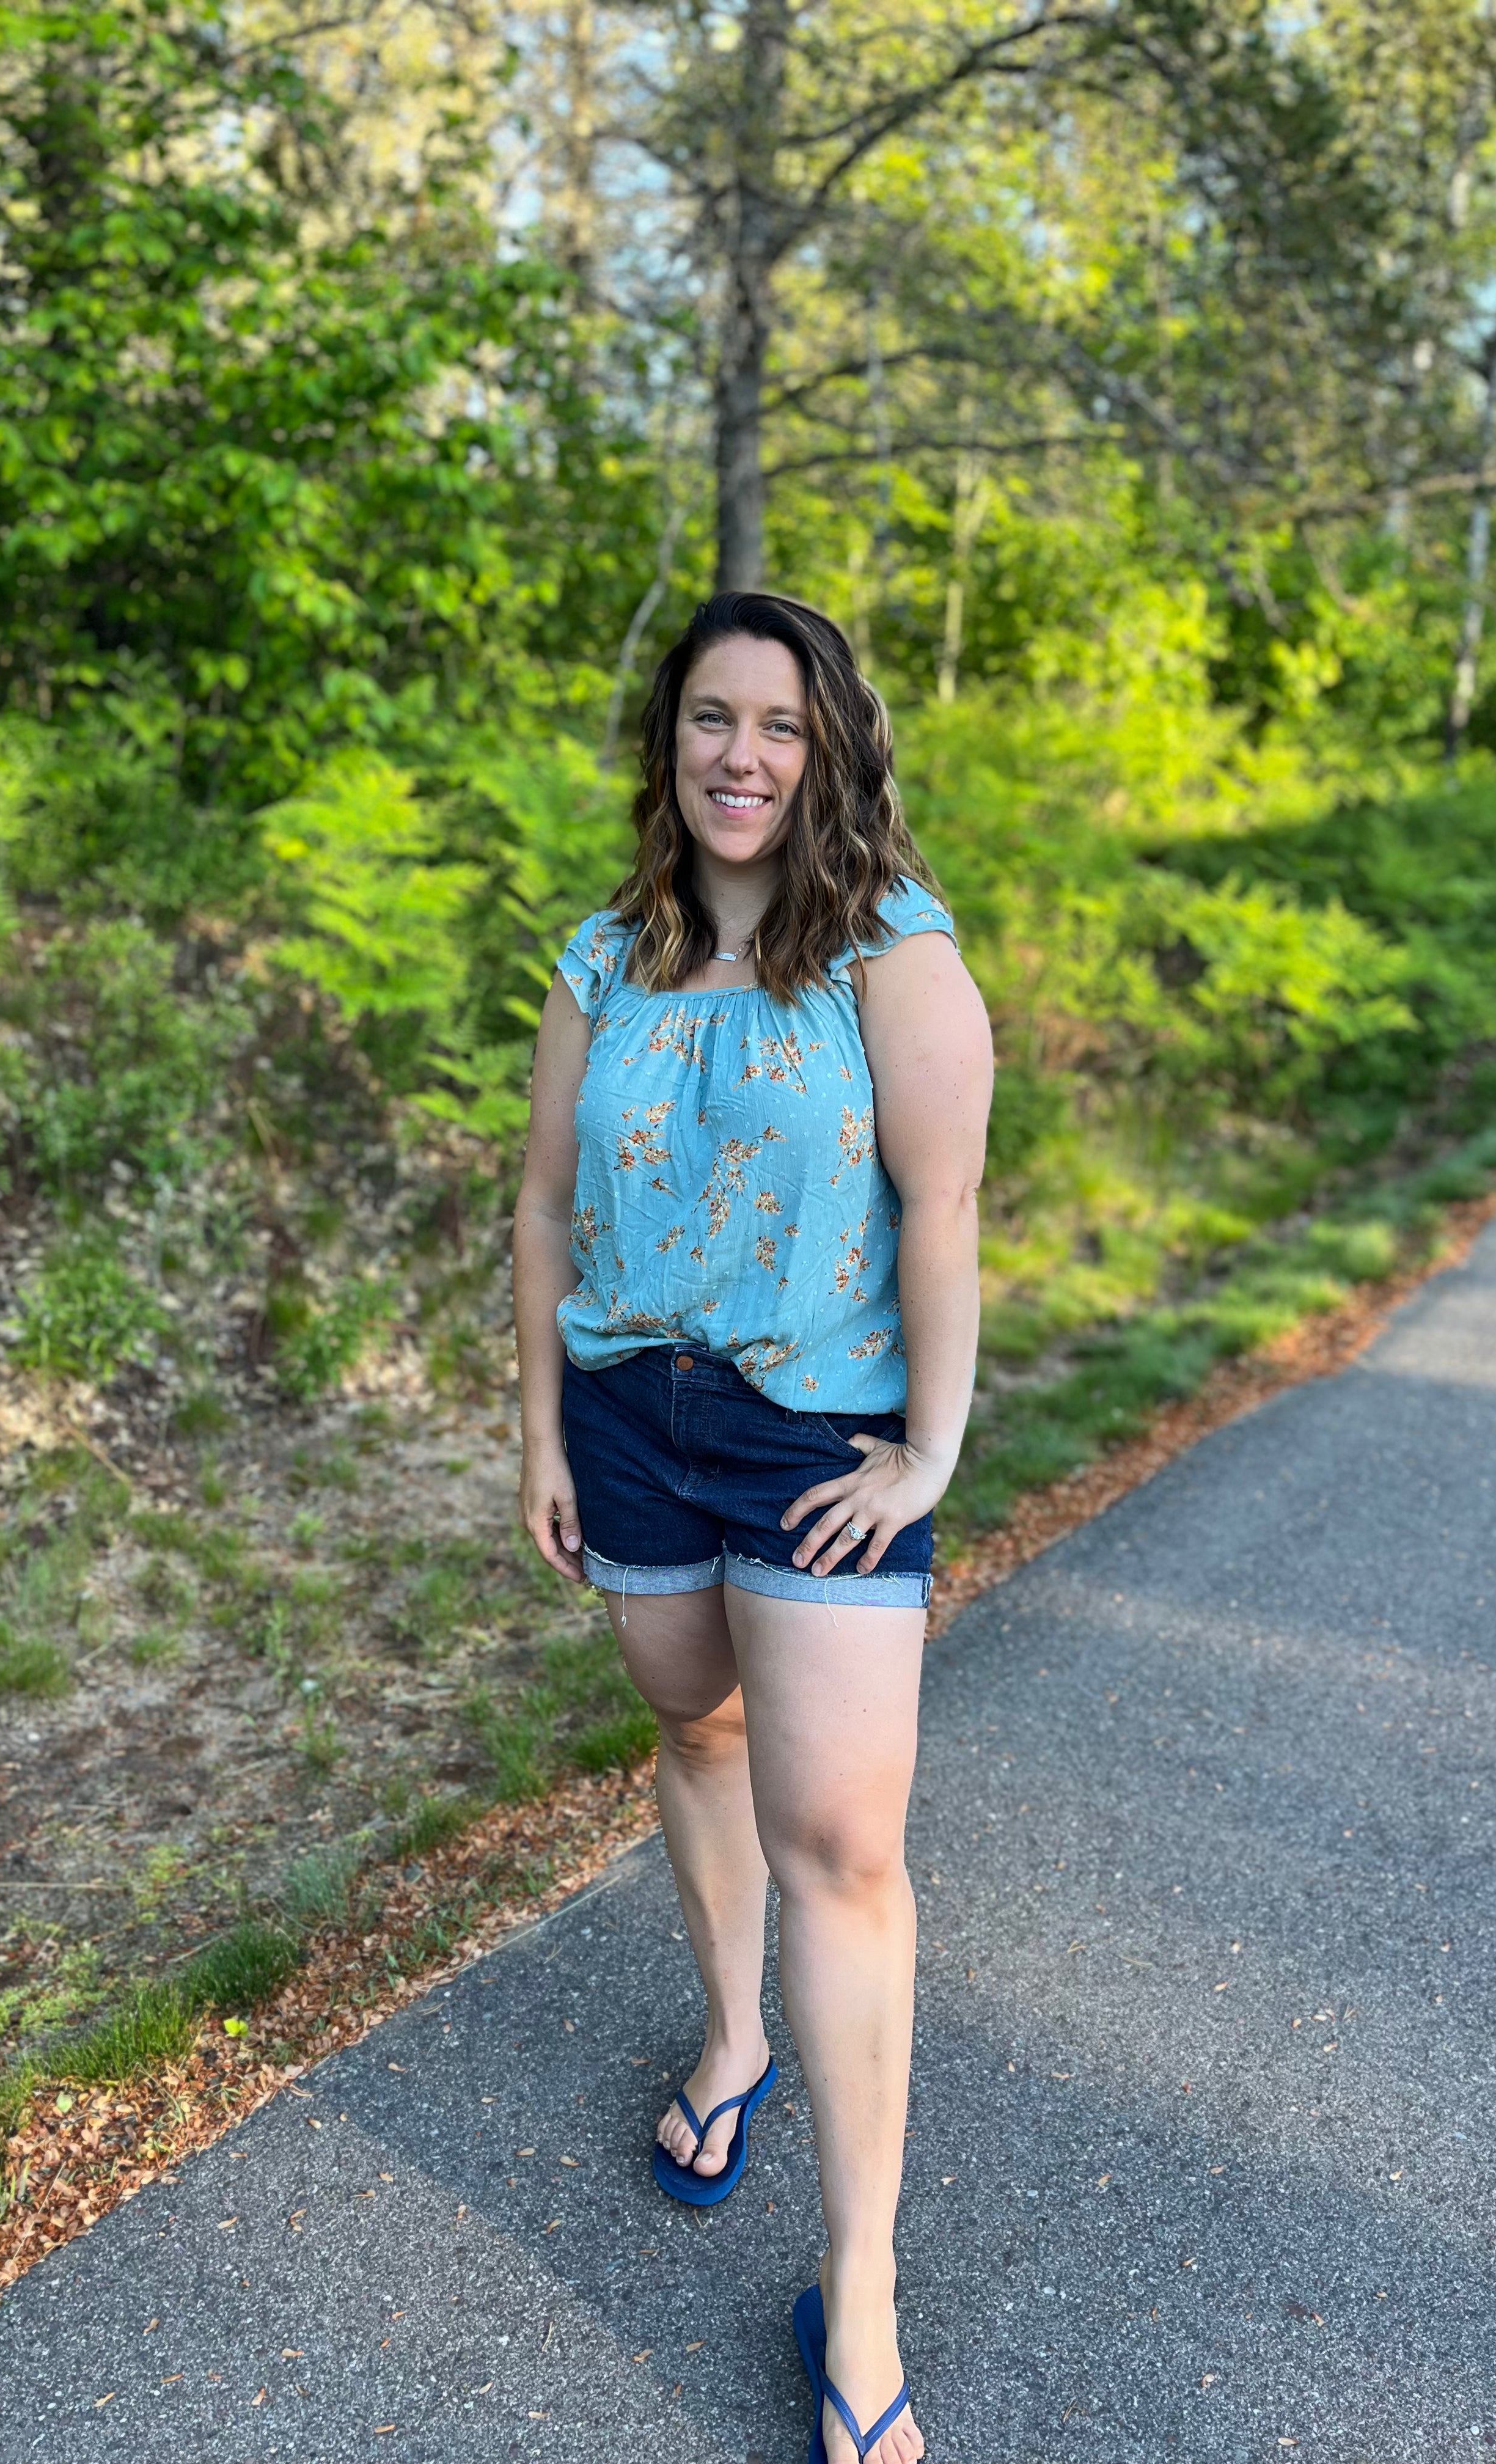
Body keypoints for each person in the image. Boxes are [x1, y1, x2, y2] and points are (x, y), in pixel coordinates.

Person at [513, 591, 993, 2464]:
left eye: (778, 727)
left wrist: (931, 1454)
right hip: (631, 1425)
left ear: (829, 749)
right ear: (671, 741)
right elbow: (547, 1207)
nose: (740, 756)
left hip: (817, 1437)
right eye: (710, 719)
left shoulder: (890, 945)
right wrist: (541, 1432)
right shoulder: (605, 956)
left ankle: (858, 2297)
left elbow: (941, 1208)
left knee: (845, 1849)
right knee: (694, 1735)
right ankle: (733, 2039)